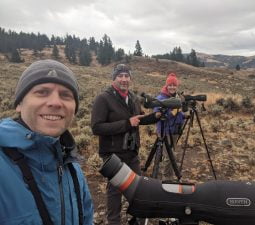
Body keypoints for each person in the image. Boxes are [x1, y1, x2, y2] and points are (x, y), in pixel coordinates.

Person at [0, 59, 94, 225]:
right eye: (42, 92)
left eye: (65, 95)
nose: (55, 102)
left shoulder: (73, 168)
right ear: (19, 104)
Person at [91, 64, 160, 225]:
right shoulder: (103, 98)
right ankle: (114, 222)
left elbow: (139, 120)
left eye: (126, 76)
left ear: (130, 78)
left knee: (138, 190)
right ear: (114, 78)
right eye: (120, 76)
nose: (124, 79)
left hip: (132, 152)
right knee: (115, 192)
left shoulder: (133, 98)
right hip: (113, 154)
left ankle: (137, 220)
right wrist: (126, 124)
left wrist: (156, 116)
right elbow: (96, 127)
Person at [154, 73, 185, 180]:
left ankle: (168, 175)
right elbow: (158, 116)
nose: (172, 87)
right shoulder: (161, 98)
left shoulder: (177, 97)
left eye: (174, 85)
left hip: (175, 130)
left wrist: (183, 115)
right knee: (169, 156)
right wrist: (174, 112)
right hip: (165, 131)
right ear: (166, 85)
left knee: (170, 154)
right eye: (170, 85)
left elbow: (179, 114)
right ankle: (166, 178)